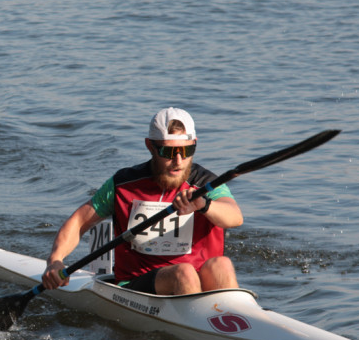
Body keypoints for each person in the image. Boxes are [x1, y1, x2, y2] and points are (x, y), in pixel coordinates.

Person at [42, 108, 243, 295]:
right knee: (184, 272)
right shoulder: (123, 185)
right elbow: (79, 222)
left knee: (221, 265)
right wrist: (55, 261)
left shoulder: (206, 184)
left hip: (198, 282)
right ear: (150, 146)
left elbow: (234, 217)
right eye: (168, 152)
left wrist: (203, 205)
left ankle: (233, 324)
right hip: (137, 284)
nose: (179, 161)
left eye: (187, 151)